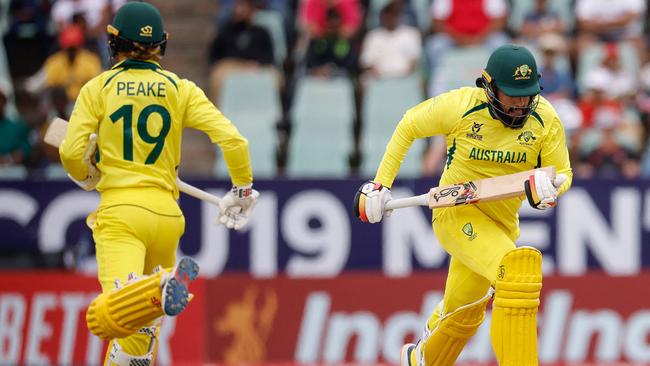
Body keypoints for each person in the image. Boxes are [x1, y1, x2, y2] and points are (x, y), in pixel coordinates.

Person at [58, 2, 258, 365]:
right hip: (167, 216)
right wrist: (242, 191)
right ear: (160, 45)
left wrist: (91, 174)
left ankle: (158, 288)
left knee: (107, 316)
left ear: (113, 43)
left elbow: (71, 154)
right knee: (139, 342)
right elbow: (234, 141)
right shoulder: (179, 88)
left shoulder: (98, 88)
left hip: (121, 215)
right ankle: (156, 293)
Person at [354, 45, 572, 366]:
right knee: (516, 270)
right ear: (489, 86)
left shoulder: (546, 119)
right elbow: (409, 125)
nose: (520, 104)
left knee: (463, 315)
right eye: (512, 95)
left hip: (501, 225)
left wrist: (551, 190)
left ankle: (421, 358)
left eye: (526, 95)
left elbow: (563, 173)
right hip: (455, 212)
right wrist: (380, 185)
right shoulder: (461, 106)